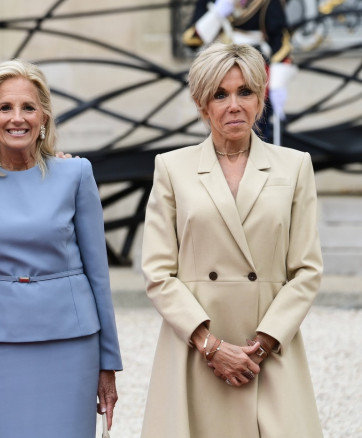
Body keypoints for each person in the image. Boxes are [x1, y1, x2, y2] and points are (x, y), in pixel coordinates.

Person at [140, 43, 323, 438]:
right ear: (202, 104)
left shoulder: (295, 166)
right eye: (220, 94)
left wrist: (261, 343)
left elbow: (307, 269)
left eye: (245, 92)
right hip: (196, 352)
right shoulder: (172, 168)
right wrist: (211, 346)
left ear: (261, 98)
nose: (234, 104)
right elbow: (157, 271)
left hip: (268, 355)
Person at [0, 59, 123, 438]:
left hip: (73, 343)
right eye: (5, 107)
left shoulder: (76, 174)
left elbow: (98, 274)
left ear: (44, 115)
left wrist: (108, 360)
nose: (17, 118)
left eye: (28, 107)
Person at [182, 0, 297, 143]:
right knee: (219, 133)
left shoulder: (266, 3)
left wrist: (278, 84)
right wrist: (216, 14)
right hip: (217, 73)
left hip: (252, 72)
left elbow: (280, 44)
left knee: (256, 132)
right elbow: (192, 41)